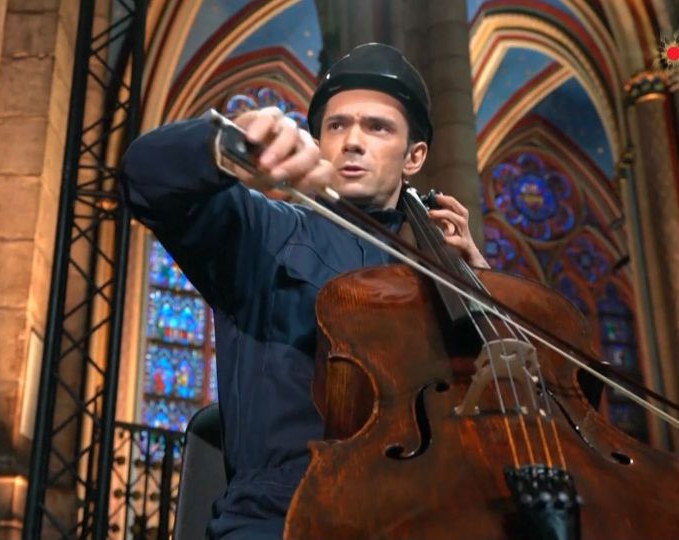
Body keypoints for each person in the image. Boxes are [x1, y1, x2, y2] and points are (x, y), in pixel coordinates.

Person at [123, 43, 488, 539]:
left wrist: (485, 292)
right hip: (282, 515)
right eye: (336, 126)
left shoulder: (439, 277)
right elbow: (145, 177)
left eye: (377, 127)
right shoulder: (266, 235)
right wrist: (226, 145)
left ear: (414, 156)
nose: (352, 141)